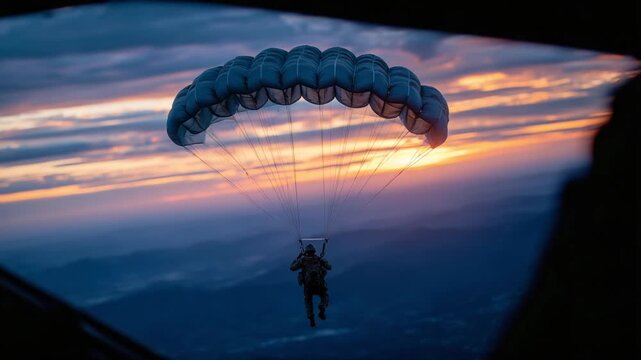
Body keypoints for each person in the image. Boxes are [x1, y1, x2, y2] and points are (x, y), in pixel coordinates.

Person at [290, 244, 332, 327]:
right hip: (319, 285)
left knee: (308, 301)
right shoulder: (319, 260)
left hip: (308, 287)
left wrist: (297, 258)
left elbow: (292, 268)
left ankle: (311, 318)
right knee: (325, 295)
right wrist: (322, 260)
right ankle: (322, 307)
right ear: (314, 252)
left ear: (306, 252)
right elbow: (329, 267)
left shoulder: (302, 260)